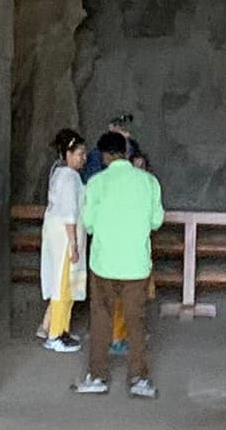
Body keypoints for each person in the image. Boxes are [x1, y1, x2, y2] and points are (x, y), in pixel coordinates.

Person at [75, 129, 165, 399]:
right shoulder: (149, 182)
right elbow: (156, 221)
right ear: (126, 153)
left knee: (101, 319)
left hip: (104, 262)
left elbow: (88, 224)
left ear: (104, 155)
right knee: (135, 322)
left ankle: (98, 375)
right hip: (136, 264)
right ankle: (138, 377)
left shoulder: (96, 183)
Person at [37, 128, 88, 351]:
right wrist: (74, 244)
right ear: (68, 154)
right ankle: (56, 334)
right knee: (63, 286)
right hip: (65, 239)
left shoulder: (59, 174)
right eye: (79, 154)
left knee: (66, 286)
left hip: (58, 237)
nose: (83, 158)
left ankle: (61, 330)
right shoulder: (69, 177)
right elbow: (69, 213)